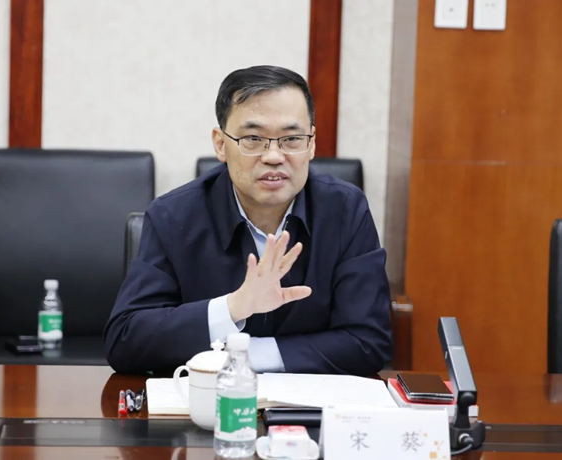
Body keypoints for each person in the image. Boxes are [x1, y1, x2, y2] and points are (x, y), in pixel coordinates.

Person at [104, 65, 392, 375]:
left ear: (311, 144)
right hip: (204, 400)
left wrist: (245, 356)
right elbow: (125, 340)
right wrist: (233, 307)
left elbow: (369, 341)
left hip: (309, 403)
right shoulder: (173, 216)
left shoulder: (345, 210)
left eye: (292, 138)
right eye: (253, 138)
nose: (274, 156)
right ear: (220, 144)